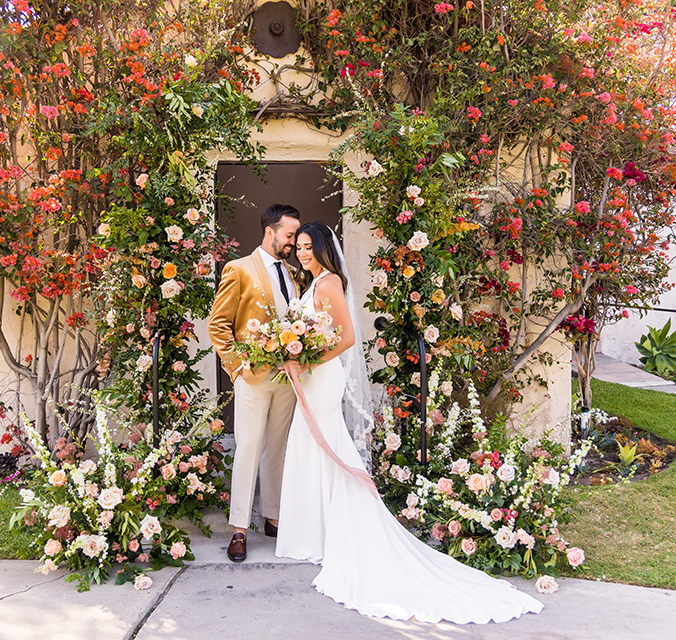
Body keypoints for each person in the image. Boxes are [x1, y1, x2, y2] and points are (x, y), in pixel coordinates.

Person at [275, 221, 543, 624]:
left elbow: (346, 338)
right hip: (309, 375)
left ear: (325, 248)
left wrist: (307, 359)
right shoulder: (310, 285)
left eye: (309, 246)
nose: (302, 252)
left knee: (322, 441)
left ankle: (331, 531)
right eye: (299, 246)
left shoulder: (328, 282)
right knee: (307, 445)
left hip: (321, 377)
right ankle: (315, 533)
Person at [208, 204, 301, 562]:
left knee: (277, 449)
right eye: (289, 235)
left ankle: (272, 518)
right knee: (248, 447)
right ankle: (239, 529)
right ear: (270, 232)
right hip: (254, 377)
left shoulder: (293, 275)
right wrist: (238, 368)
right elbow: (218, 325)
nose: (293, 242)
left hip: (287, 378)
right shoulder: (239, 269)